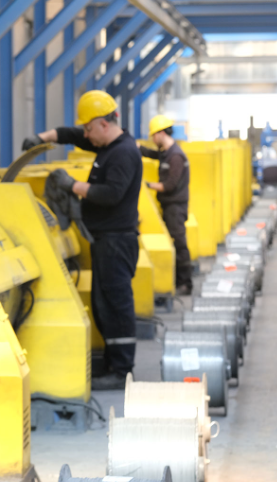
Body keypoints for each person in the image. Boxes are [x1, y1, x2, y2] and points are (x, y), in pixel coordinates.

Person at [21, 90, 142, 391]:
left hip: (117, 241)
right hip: (105, 240)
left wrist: (72, 185)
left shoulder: (123, 153)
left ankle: (122, 370)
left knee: (115, 304)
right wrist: (42, 138)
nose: (86, 136)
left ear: (104, 124)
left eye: (89, 129)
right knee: (103, 304)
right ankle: (113, 363)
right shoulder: (106, 143)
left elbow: (111, 194)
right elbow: (73, 134)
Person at [140, 115, 192, 295]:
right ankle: (177, 280)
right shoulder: (167, 153)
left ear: (161, 134)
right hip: (169, 206)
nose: (153, 139)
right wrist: (137, 148)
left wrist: (146, 185)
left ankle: (185, 283)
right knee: (174, 243)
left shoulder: (175, 156)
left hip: (175, 207)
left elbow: (169, 185)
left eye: (153, 135)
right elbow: (153, 154)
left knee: (179, 244)